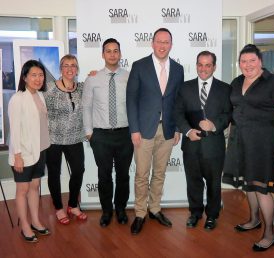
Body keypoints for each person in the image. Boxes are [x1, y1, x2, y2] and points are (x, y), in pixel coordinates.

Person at [222, 44, 274, 251]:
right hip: (239, 141)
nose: (248, 65)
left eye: (252, 61)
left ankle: (270, 234)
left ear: (260, 62)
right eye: (243, 61)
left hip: (263, 143)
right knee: (248, 183)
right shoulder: (237, 82)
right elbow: (235, 110)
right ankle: (253, 219)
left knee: (262, 187)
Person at [126, 28, 184, 234]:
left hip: (167, 131)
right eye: (159, 41)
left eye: (166, 42)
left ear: (171, 44)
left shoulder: (178, 69)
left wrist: (177, 128)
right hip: (143, 131)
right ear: (152, 43)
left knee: (159, 174)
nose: (162, 45)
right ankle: (140, 213)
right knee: (142, 174)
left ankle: (155, 209)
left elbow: (178, 101)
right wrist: (134, 129)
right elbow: (131, 99)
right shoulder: (139, 66)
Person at [174, 51, 231, 231]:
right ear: (196, 65)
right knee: (193, 181)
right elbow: (178, 113)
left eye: (208, 65)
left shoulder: (225, 89)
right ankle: (195, 213)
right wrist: (188, 131)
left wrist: (214, 125)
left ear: (214, 67)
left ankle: (212, 215)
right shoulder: (185, 87)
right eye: (200, 64)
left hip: (214, 147)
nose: (203, 68)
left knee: (214, 184)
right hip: (191, 145)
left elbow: (228, 114)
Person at [82, 38, 133, 227]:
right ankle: (106, 211)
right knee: (103, 176)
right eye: (108, 51)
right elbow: (86, 106)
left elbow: (136, 105)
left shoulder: (130, 77)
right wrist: (89, 133)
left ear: (120, 54)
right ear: (103, 54)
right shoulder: (92, 78)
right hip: (101, 136)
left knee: (123, 175)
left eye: (115, 51)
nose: (112, 54)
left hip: (125, 134)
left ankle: (120, 209)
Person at [8, 60, 51, 242]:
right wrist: (17, 155)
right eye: (33, 75)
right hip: (23, 153)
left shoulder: (40, 96)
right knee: (23, 190)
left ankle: (35, 221)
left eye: (40, 75)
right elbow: (15, 129)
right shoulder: (18, 98)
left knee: (35, 187)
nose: (38, 79)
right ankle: (24, 225)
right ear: (25, 77)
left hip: (40, 150)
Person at [43, 54, 87, 225]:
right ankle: (59, 208)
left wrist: (93, 75)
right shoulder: (49, 89)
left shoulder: (81, 88)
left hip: (75, 137)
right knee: (54, 174)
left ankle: (73, 205)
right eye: (66, 65)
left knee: (78, 170)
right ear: (60, 69)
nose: (70, 69)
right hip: (53, 138)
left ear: (77, 69)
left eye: (73, 65)